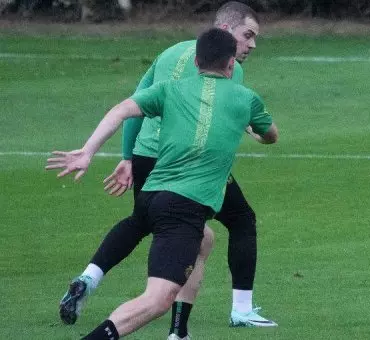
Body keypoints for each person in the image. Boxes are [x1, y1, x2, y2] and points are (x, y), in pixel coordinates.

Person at [58, 2, 277, 338]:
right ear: (230, 62)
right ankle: (238, 310)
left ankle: (176, 330)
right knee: (157, 299)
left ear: (195, 60)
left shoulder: (169, 75)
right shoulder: (242, 94)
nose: (251, 44)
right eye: (248, 36)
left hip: (155, 181)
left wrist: (106, 153)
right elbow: (269, 135)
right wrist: (251, 128)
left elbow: (127, 106)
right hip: (184, 201)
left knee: (193, 237)